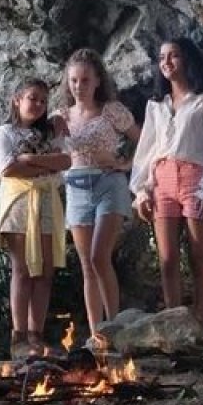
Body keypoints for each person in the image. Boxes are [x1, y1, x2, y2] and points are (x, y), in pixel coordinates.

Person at [130, 37, 203, 327]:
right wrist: (142, 189)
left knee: (198, 255)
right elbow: (148, 149)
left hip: (195, 178)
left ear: (187, 60)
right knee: (167, 257)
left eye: (174, 55)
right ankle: (173, 319)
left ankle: (201, 315)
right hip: (162, 181)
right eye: (162, 57)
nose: (167, 62)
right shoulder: (156, 107)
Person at [55, 48, 140, 345]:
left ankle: (114, 325)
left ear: (97, 81)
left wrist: (125, 164)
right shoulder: (61, 117)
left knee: (99, 256)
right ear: (68, 82)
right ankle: (96, 335)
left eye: (85, 80)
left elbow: (143, 142)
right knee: (87, 264)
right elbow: (47, 148)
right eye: (74, 81)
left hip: (109, 183)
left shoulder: (112, 111)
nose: (79, 86)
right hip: (76, 186)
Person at [0, 78, 72, 359]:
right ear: (17, 99)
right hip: (19, 201)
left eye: (42, 100)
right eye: (32, 98)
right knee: (22, 269)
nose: (38, 105)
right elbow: (9, 168)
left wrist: (29, 160)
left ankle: (36, 333)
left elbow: (65, 161)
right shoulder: (4, 132)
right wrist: (35, 164)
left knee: (45, 271)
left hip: (48, 200)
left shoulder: (52, 131)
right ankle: (19, 334)